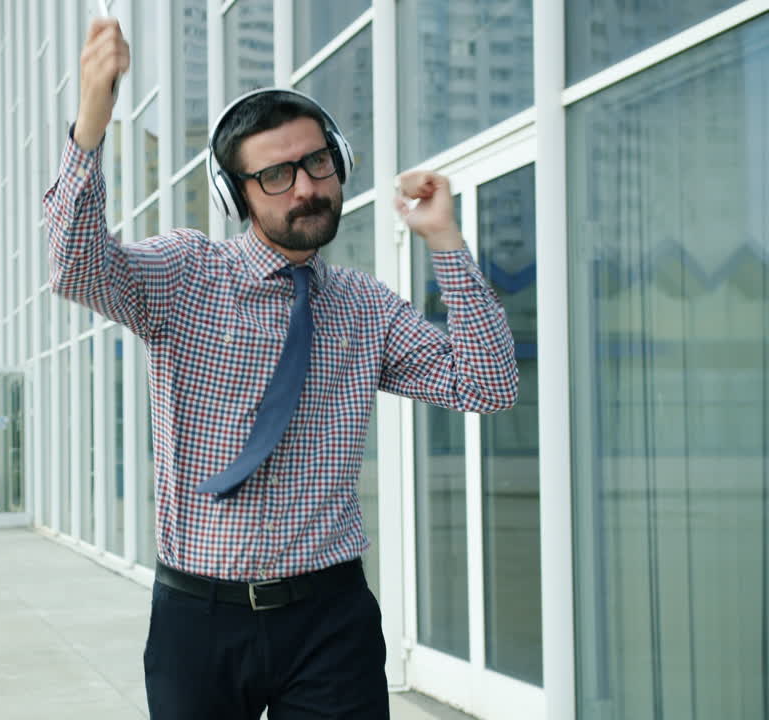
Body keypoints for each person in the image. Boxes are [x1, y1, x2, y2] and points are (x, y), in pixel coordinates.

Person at [43, 17, 518, 720]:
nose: (305, 188)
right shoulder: (185, 275)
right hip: (198, 619)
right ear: (238, 195)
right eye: (275, 174)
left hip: (329, 620)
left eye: (316, 162)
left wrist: (445, 242)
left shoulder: (365, 308)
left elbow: (489, 383)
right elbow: (74, 266)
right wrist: (92, 118)